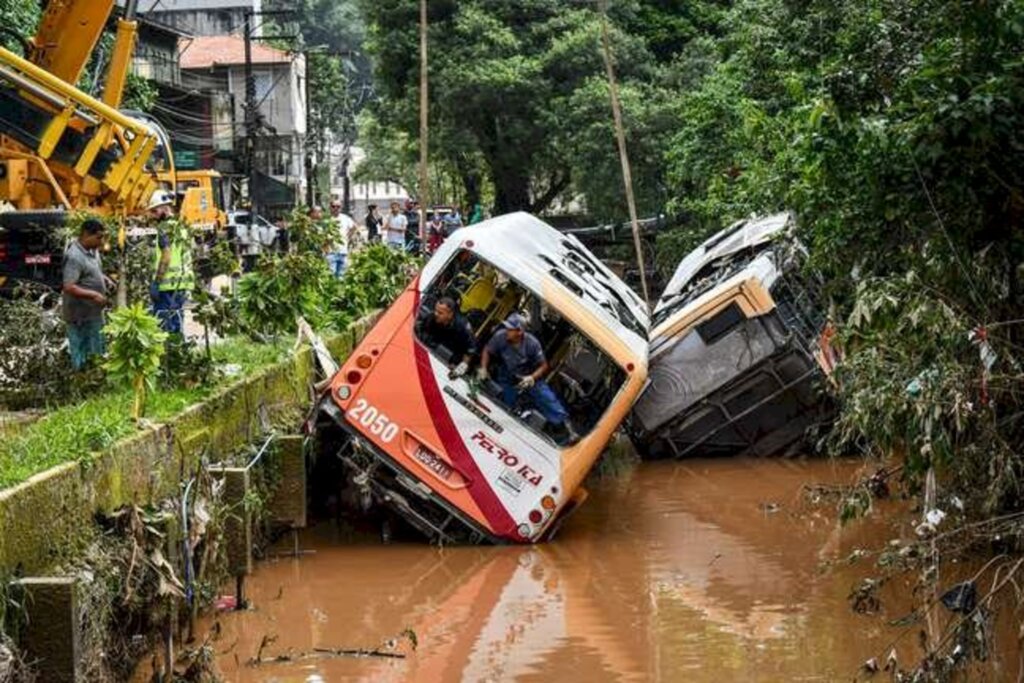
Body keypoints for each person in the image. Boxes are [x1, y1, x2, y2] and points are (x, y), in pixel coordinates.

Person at [478, 313, 578, 444]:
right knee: (507, 400)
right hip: (507, 374)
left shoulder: (532, 343)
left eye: (510, 329)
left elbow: (544, 365)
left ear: (520, 331)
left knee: (546, 398)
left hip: (529, 376)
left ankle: (569, 432)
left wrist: (531, 378)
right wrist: (483, 368)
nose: (507, 331)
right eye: (506, 327)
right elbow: (487, 350)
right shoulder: (500, 336)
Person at [62, 218, 112, 369]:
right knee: (80, 351)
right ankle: (80, 380)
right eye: (98, 237)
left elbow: (90, 271)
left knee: (97, 350)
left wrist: (105, 279)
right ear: (85, 235)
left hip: (93, 313)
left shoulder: (93, 251)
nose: (101, 241)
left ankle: (95, 380)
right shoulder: (74, 256)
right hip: (79, 315)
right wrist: (94, 295)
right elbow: (69, 286)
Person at [149, 190, 194, 335]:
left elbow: (166, 256)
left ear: (164, 208)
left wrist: (157, 281)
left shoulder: (164, 229)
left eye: (155, 211)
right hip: (181, 283)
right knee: (176, 320)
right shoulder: (181, 227)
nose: (153, 215)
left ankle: (170, 354)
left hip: (167, 286)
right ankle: (178, 351)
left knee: (165, 324)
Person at [416, 297, 476, 376]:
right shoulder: (432, 317)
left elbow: (470, 351)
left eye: (440, 313)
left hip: (449, 363)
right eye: (435, 310)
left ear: (450, 314)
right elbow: (419, 329)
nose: (436, 314)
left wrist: (462, 367)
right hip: (431, 352)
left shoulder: (463, 327)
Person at [327, 200, 356, 278]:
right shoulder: (327, 219)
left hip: (343, 252)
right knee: (331, 276)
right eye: (333, 206)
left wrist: (348, 237)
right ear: (330, 207)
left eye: (338, 206)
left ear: (341, 208)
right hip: (331, 252)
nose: (336, 208)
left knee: (341, 277)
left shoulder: (345, 218)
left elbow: (354, 227)